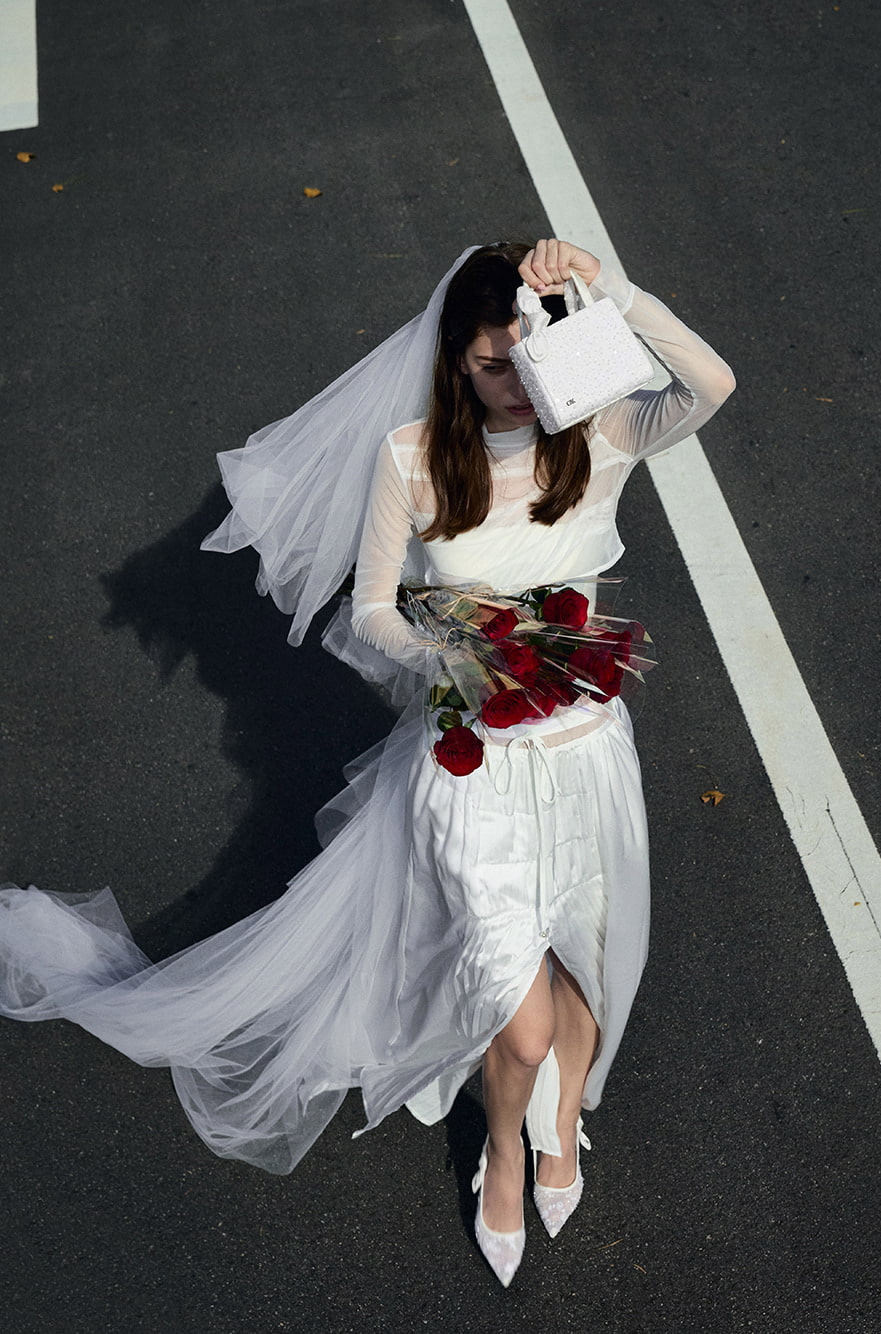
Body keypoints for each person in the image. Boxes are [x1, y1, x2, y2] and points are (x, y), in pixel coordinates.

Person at [0, 238, 734, 1288]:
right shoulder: (410, 457)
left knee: (585, 956)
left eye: (531, 360)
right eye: (491, 365)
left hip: (586, 758)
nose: (518, 387)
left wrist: (611, 291)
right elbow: (377, 611)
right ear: (453, 360)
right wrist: (459, 649)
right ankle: (503, 1152)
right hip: (470, 763)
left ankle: (563, 1120)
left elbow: (710, 381)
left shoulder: (604, 435)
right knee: (517, 1016)